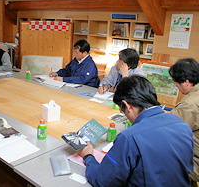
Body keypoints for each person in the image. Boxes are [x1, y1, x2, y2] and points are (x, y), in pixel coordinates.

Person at [79, 75, 194, 186]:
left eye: (122, 111)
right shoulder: (182, 125)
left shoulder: (129, 138)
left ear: (127, 105)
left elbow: (103, 181)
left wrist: (88, 157)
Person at [168, 58, 199, 186]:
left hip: (193, 160)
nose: (178, 88)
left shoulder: (190, 104)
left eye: (177, 84)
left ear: (186, 82)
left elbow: (171, 127)